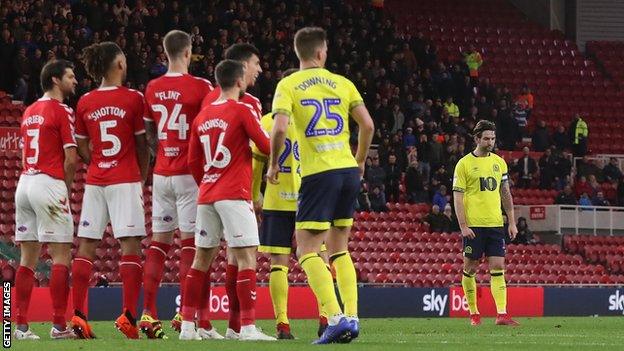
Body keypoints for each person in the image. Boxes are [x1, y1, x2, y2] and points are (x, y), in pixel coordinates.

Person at [268, 27, 374, 344]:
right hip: (347, 170)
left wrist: (274, 163)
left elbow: (279, 129)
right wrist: (361, 160)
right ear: (320, 52)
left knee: (307, 250)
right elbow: (367, 124)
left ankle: (336, 317)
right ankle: (352, 317)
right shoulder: (342, 83)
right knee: (340, 249)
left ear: (300, 52)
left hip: (318, 173)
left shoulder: (288, 84)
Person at [180, 60, 275, 341]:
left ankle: (187, 327)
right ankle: (246, 327)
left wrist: (209, 183)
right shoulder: (242, 110)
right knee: (247, 257)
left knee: (201, 259)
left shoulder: (203, 117)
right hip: (234, 193)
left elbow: (193, 162)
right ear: (239, 81)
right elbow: (266, 145)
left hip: (207, 194)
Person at [141, 30, 220, 339]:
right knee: (194, 244)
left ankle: (148, 312)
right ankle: (189, 318)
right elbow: (210, 129)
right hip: (190, 173)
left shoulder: (152, 87)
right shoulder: (201, 86)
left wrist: (162, 157)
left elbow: (150, 133)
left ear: (165, 52)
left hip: (162, 173)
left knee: (159, 243)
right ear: (188, 53)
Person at [72, 41, 149, 339]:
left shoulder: (85, 101)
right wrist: (141, 177)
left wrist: (97, 162)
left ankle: (78, 315)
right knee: (130, 246)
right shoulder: (133, 98)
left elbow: (80, 144)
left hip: (95, 181)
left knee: (87, 246)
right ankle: (128, 316)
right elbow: (142, 144)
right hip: (125, 179)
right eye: (125, 59)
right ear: (118, 64)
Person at [251, 68, 329, 339]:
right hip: (308, 198)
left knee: (278, 263)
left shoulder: (266, 121)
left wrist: (254, 194)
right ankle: (326, 317)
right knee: (317, 256)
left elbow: (257, 161)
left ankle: (283, 324)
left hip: (275, 198)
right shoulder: (313, 121)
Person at [199, 43, 263, 338]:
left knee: (218, 256)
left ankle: (207, 324)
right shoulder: (245, 105)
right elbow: (261, 147)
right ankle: (242, 326)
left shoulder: (209, 101)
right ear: (241, 69)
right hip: (234, 187)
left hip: (207, 186)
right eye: (255, 64)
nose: (259, 70)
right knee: (242, 254)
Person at [13, 60, 79, 340]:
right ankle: (58, 325)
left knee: (27, 259)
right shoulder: (62, 110)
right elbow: (71, 158)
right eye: (70, 76)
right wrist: (63, 188)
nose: (75, 81)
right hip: (48, 183)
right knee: (61, 255)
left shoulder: (28, 112)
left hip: (24, 183)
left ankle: (19, 326)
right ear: (55, 80)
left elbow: (27, 152)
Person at [452, 120, 519, 326]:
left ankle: (502, 314)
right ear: (477, 139)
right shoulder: (464, 164)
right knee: (470, 267)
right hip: (474, 225)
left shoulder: (499, 162)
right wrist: (463, 225)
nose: (490, 142)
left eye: (493, 138)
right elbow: (458, 196)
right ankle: (474, 313)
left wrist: (511, 221)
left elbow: (505, 192)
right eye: (486, 138)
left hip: (495, 223)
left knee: (498, 265)